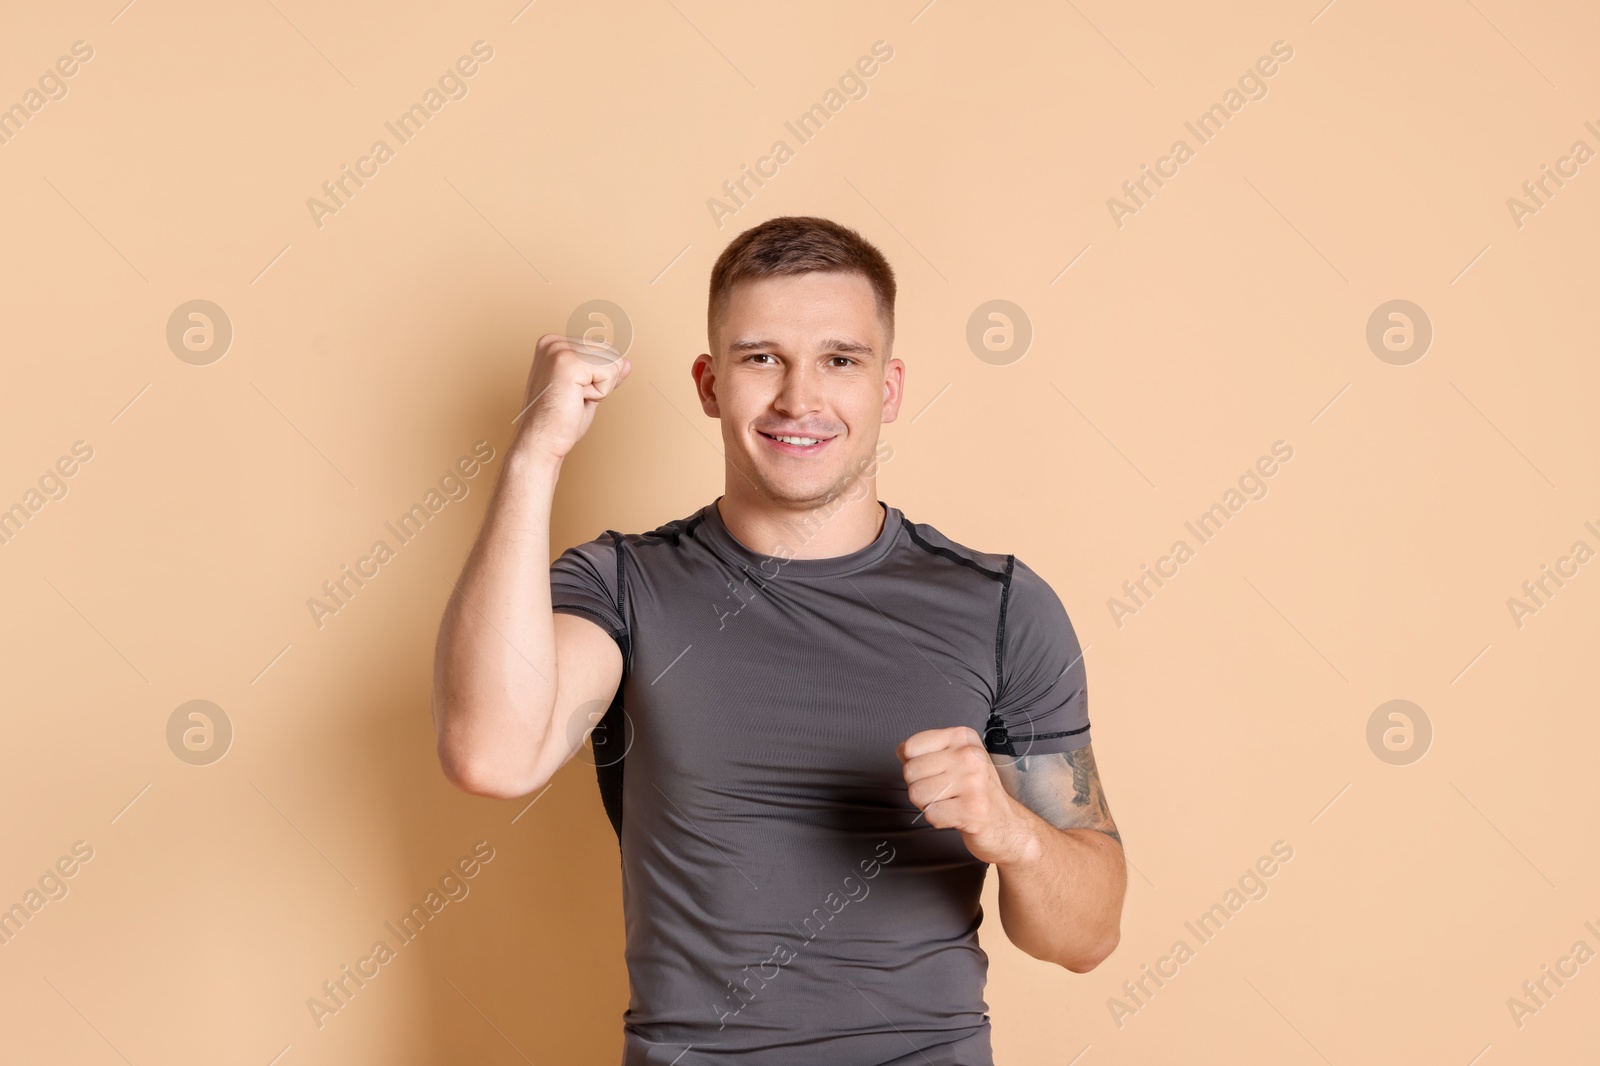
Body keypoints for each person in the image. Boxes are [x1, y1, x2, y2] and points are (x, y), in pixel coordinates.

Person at [432, 216, 1126, 1065]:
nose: (800, 399)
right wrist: (535, 453)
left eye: (841, 360)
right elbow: (492, 757)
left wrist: (1011, 830)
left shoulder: (1002, 606)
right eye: (762, 357)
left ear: (890, 389)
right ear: (709, 383)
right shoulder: (624, 587)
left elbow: (1085, 937)